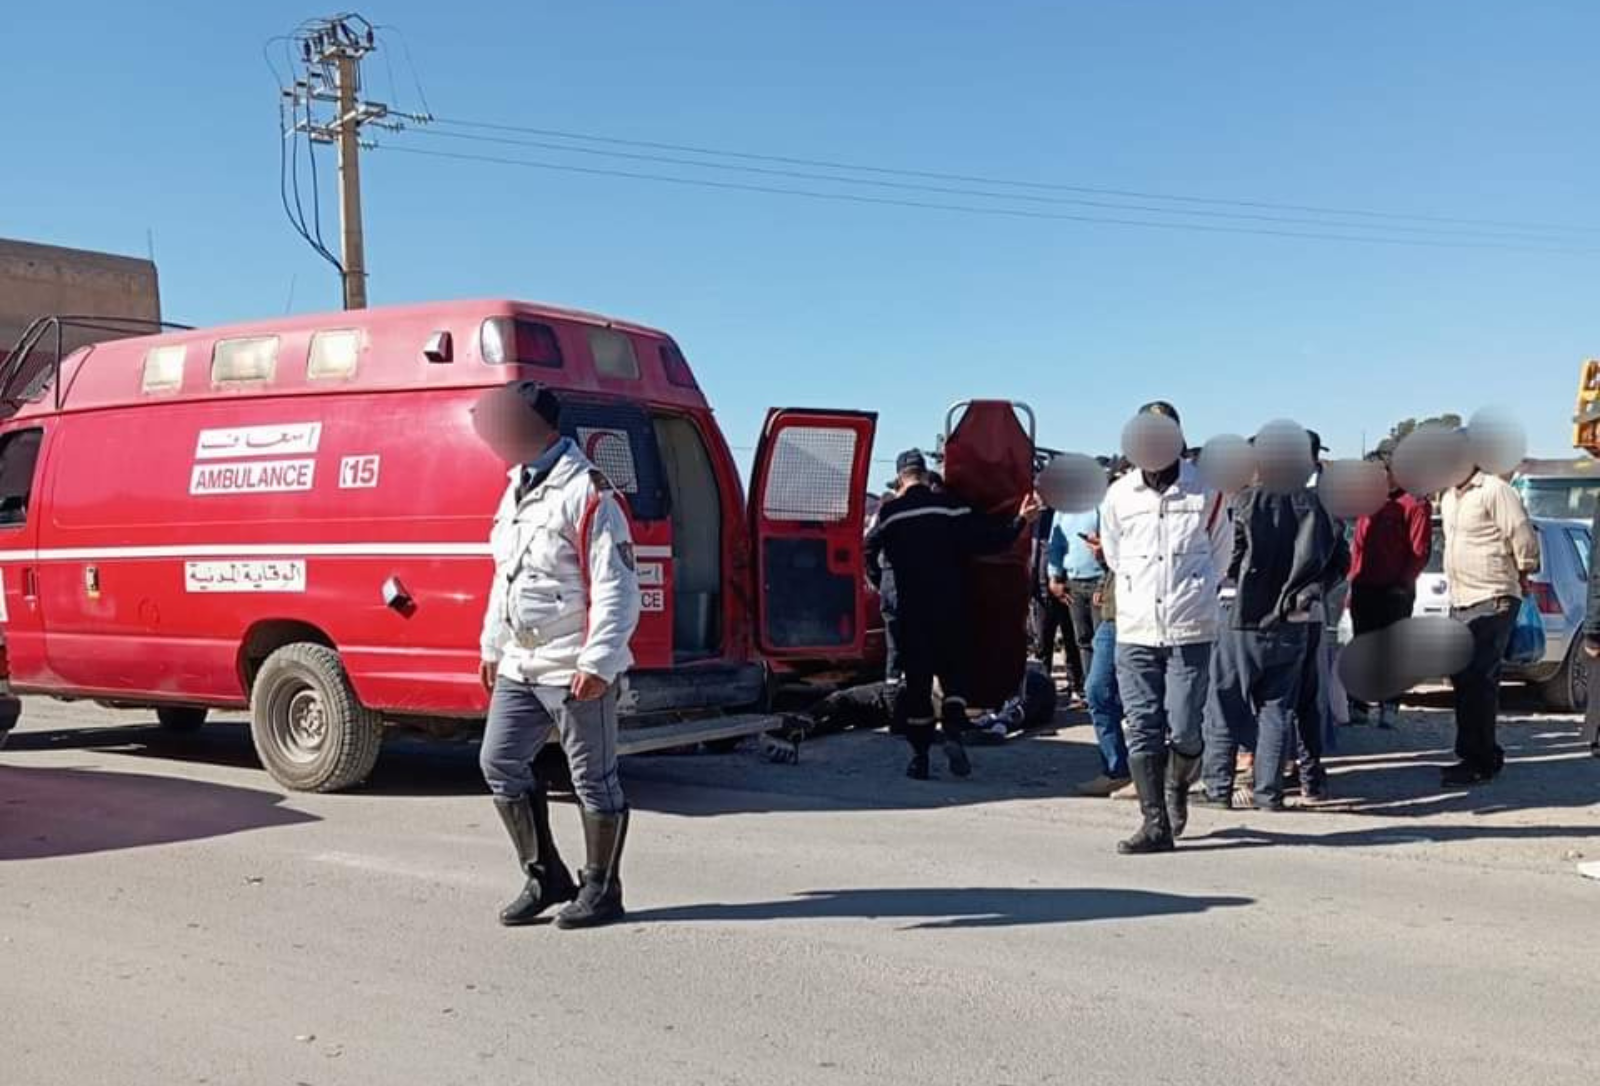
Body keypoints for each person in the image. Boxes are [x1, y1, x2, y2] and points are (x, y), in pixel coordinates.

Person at [474, 382, 643, 929]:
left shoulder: (589, 490)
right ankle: (546, 875)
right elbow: (508, 577)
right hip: (521, 663)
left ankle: (602, 889)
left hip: (573, 663)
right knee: (498, 761)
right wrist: (492, 645)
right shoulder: (517, 487)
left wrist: (598, 662)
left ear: (539, 427)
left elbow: (617, 583)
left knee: (593, 778)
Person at [865, 450, 1042, 780]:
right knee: (954, 678)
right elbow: (990, 540)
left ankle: (919, 758)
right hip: (951, 608)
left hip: (911, 611)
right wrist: (1021, 521)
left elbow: (866, 550)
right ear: (925, 473)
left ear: (901, 477)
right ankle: (953, 735)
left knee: (917, 685)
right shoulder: (951, 507)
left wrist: (883, 585)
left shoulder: (890, 513)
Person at [1101, 402, 1230, 853]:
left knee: (1186, 727)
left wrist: (1192, 590)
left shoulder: (1207, 490)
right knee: (1142, 725)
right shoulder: (1119, 494)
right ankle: (1154, 821)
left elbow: (1221, 555)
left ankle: (1177, 786)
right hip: (1136, 629)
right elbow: (1115, 556)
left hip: (1190, 628)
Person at [1201, 455, 1344, 811]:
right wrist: (1310, 593)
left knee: (1225, 703)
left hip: (1243, 616)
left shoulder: (1246, 501)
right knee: (1277, 708)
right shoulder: (1318, 506)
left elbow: (1231, 559)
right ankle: (1269, 793)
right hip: (1293, 617)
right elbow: (1340, 561)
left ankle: (1218, 788)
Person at [1439, 456, 1540, 786]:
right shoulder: (1450, 496)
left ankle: (1480, 759)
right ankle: (1475, 753)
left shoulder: (1495, 490)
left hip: (1492, 595)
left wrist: (1525, 572)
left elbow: (1521, 533)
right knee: (1463, 679)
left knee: (1479, 678)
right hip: (1460, 597)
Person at [1347, 448, 1432, 728]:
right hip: (1364, 586)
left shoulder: (1414, 502)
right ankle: (1357, 704)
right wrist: (1352, 581)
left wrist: (1403, 584)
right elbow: (1357, 545)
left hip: (1394, 589)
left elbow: (1419, 550)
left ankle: (1389, 705)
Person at [1078, 469, 1131, 796]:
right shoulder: (1116, 510)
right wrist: (1104, 565)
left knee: (1146, 701)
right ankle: (1116, 769)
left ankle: (1147, 775)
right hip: (1113, 615)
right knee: (1098, 690)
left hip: (1147, 618)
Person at [1047, 503, 1104, 704]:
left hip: (1099, 582)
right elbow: (1056, 546)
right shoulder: (1063, 510)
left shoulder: (1102, 506)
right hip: (1074, 584)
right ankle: (1091, 692)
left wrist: (1106, 583)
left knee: (1102, 642)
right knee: (1083, 640)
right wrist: (1054, 577)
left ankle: (1105, 693)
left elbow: (1112, 546)